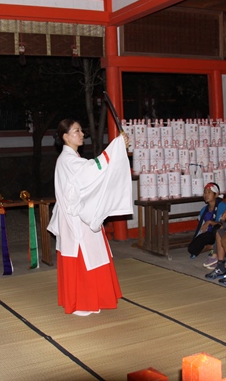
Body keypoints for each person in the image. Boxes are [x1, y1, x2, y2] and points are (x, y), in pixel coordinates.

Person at [47, 119, 132, 316]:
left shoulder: (72, 159)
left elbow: (89, 174)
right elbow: (91, 170)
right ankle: (82, 302)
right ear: (65, 137)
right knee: (83, 258)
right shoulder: (68, 160)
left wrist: (118, 146)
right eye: (76, 131)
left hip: (80, 216)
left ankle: (94, 299)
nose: (81, 134)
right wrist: (117, 145)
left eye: (81, 130)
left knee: (92, 257)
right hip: (75, 219)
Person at [187, 183, 226, 258]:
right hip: (209, 234)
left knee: (216, 228)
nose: (206, 195)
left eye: (209, 192)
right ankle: (211, 247)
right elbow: (202, 227)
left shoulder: (222, 205)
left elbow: (224, 224)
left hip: (220, 232)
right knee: (191, 248)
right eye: (205, 192)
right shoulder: (204, 210)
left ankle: (218, 248)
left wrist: (209, 222)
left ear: (216, 195)